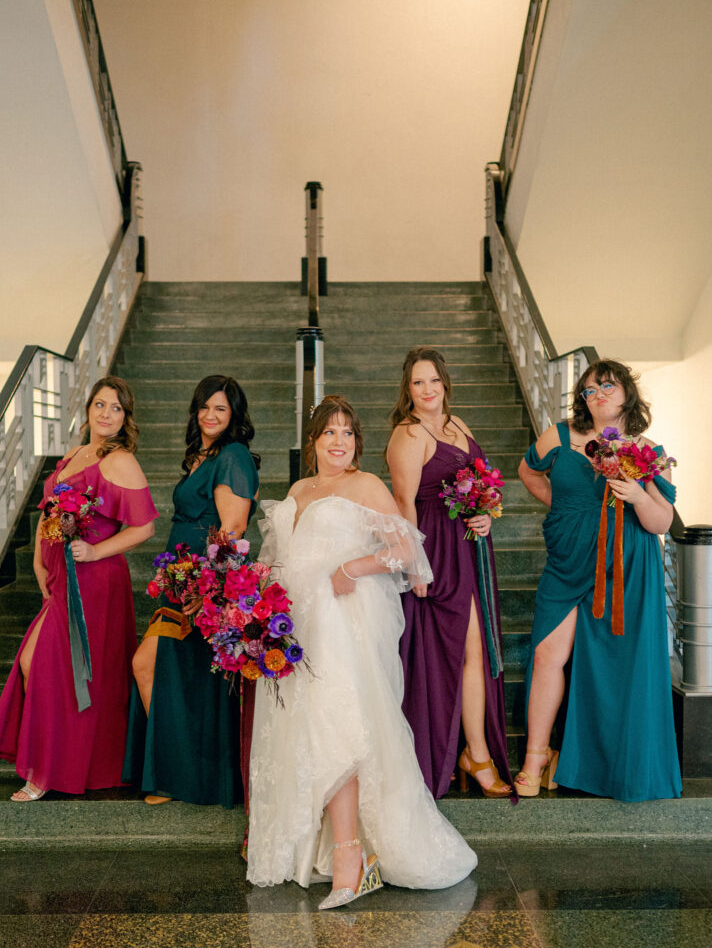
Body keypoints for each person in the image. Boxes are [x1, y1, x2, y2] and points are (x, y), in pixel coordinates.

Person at [247, 395, 477, 906]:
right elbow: (280, 555)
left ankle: (352, 855)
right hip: (294, 628)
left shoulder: (366, 485)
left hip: (339, 624)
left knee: (338, 726)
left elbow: (407, 549)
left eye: (347, 433)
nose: (338, 441)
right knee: (305, 729)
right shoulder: (302, 488)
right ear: (313, 441)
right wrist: (255, 591)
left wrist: (353, 569)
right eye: (329, 432)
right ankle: (326, 845)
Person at [0, 376, 158, 800]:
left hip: (95, 582)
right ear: (88, 410)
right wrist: (37, 560)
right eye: (100, 404)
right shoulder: (76, 454)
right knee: (49, 666)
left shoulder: (120, 461)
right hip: (62, 578)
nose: (106, 413)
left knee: (40, 663)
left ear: (125, 417)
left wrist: (96, 553)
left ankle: (45, 772)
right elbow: (51, 513)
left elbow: (145, 526)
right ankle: (64, 763)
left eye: (116, 408)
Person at [515, 359, 681, 801]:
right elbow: (527, 471)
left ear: (627, 392)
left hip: (624, 567)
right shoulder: (561, 435)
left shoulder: (650, 451)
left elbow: (661, 521)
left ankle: (610, 766)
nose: (597, 394)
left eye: (606, 386)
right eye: (589, 390)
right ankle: (536, 756)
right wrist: (562, 507)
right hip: (568, 560)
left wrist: (637, 493)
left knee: (617, 667)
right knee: (548, 651)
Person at [123, 375, 260, 807]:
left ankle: (181, 773)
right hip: (181, 581)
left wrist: (208, 588)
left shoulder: (233, 456)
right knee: (174, 675)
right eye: (204, 406)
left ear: (234, 415)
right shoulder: (204, 456)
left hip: (200, 586)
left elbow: (232, 529)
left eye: (221, 408)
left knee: (150, 665)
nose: (210, 415)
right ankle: (180, 771)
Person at [386, 348, 512, 799]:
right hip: (434, 551)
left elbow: (481, 484)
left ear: (445, 383)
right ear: (408, 389)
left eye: (434, 380)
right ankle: (469, 754)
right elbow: (402, 504)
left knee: (475, 651)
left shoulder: (457, 425)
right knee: (457, 651)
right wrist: (415, 566)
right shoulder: (407, 434)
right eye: (418, 383)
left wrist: (486, 515)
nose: (428, 390)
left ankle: (475, 751)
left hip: (470, 548)